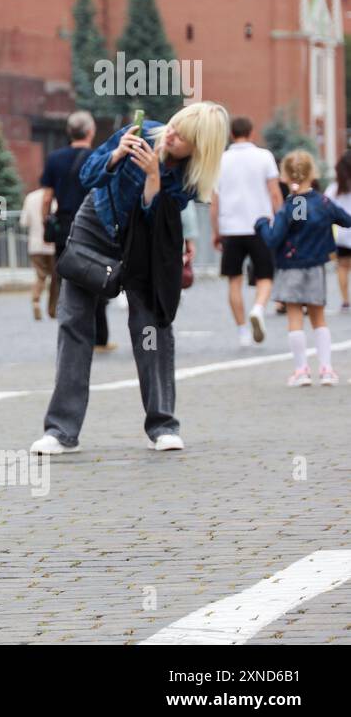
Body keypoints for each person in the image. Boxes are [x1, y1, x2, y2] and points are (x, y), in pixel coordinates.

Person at [31, 102, 229, 457]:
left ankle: (163, 425)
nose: (172, 134)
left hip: (142, 248)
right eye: (174, 126)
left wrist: (153, 177)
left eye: (183, 136)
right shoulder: (136, 134)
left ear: (198, 148)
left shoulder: (188, 177)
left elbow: (159, 219)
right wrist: (115, 155)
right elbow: (87, 177)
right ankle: (60, 431)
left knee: (151, 329)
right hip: (94, 231)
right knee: (74, 324)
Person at [256, 150, 351, 387]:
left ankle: (301, 371)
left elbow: (273, 239)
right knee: (319, 319)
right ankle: (327, 369)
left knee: (295, 319)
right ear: (314, 173)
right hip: (316, 266)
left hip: (290, 268)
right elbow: (347, 220)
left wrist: (260, 225)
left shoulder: (289, 208)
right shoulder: (324, 202)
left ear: (285, 176)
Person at [40, 110, 114, 351]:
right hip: (95, 227)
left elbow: (47, 196)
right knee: (99, 277)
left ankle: (72, 336)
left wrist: (46, 221)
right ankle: (100, 337)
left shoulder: (54, 159)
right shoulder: (99, 157)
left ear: (69, 132)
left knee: (67, 279)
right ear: (90, 132)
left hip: (65, 227)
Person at [210, 116, 282, 348]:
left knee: (234, 280)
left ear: (231, 134)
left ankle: (242, 331)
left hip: (231, 227)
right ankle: (259, 308)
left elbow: (214, 200)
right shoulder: (264, 157)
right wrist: (281, 222)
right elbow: (274, 193)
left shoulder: (220, 160)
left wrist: (216, 230)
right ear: (252, 133)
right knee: (265, 276)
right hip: (260, 225)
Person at [20, 185, 58, 320]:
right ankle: (53, 309)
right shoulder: (55, 197)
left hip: (35, 244)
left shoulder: (30, 197)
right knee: (55, 278)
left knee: (40, 276)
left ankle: (36, 301)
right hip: (53, 245)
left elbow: (24, 221)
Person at [326, 150, 351, 313]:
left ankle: (345, 301)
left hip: (342, 234)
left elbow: (325, 207)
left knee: (342, 267)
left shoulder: (334, 188)